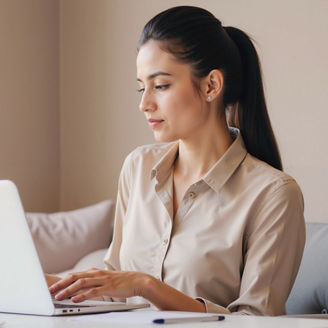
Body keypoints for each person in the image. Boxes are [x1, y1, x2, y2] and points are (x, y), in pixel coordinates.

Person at [48, 6, 305, 315]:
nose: (144, 104)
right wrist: (36, 282)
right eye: (141, 87)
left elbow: (256, 320)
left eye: (160, 86)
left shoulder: (274, 194)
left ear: (211, 85)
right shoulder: (138, 167)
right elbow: (112, 292)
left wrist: (148, 286)